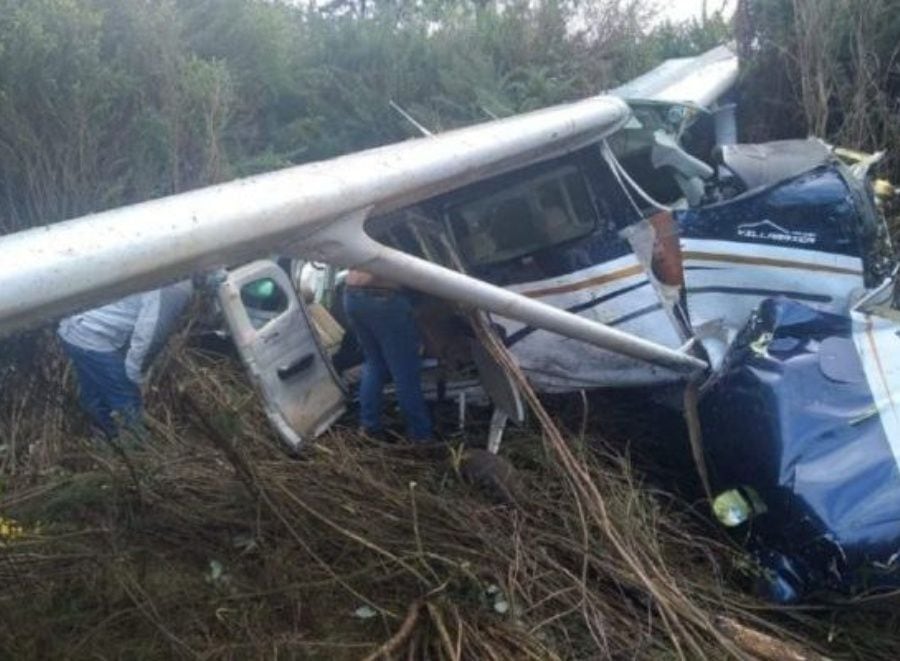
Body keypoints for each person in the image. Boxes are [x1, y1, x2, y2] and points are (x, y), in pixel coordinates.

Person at [58, 280, 193, 440]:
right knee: (126, 401)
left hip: (78, 326)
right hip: (92, 335)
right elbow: (152, 336)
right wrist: (135, 373)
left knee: (95, 390)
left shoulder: (164, 267)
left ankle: (104, 440)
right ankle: (136, 451)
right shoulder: (175, 287)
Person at [342, 269, 432, 442]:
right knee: (405, 371)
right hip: (383, 298)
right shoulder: (394, 239)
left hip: (351, 296)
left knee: (375, 363)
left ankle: (369, 426)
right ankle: (421, 435)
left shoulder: (365, 240)